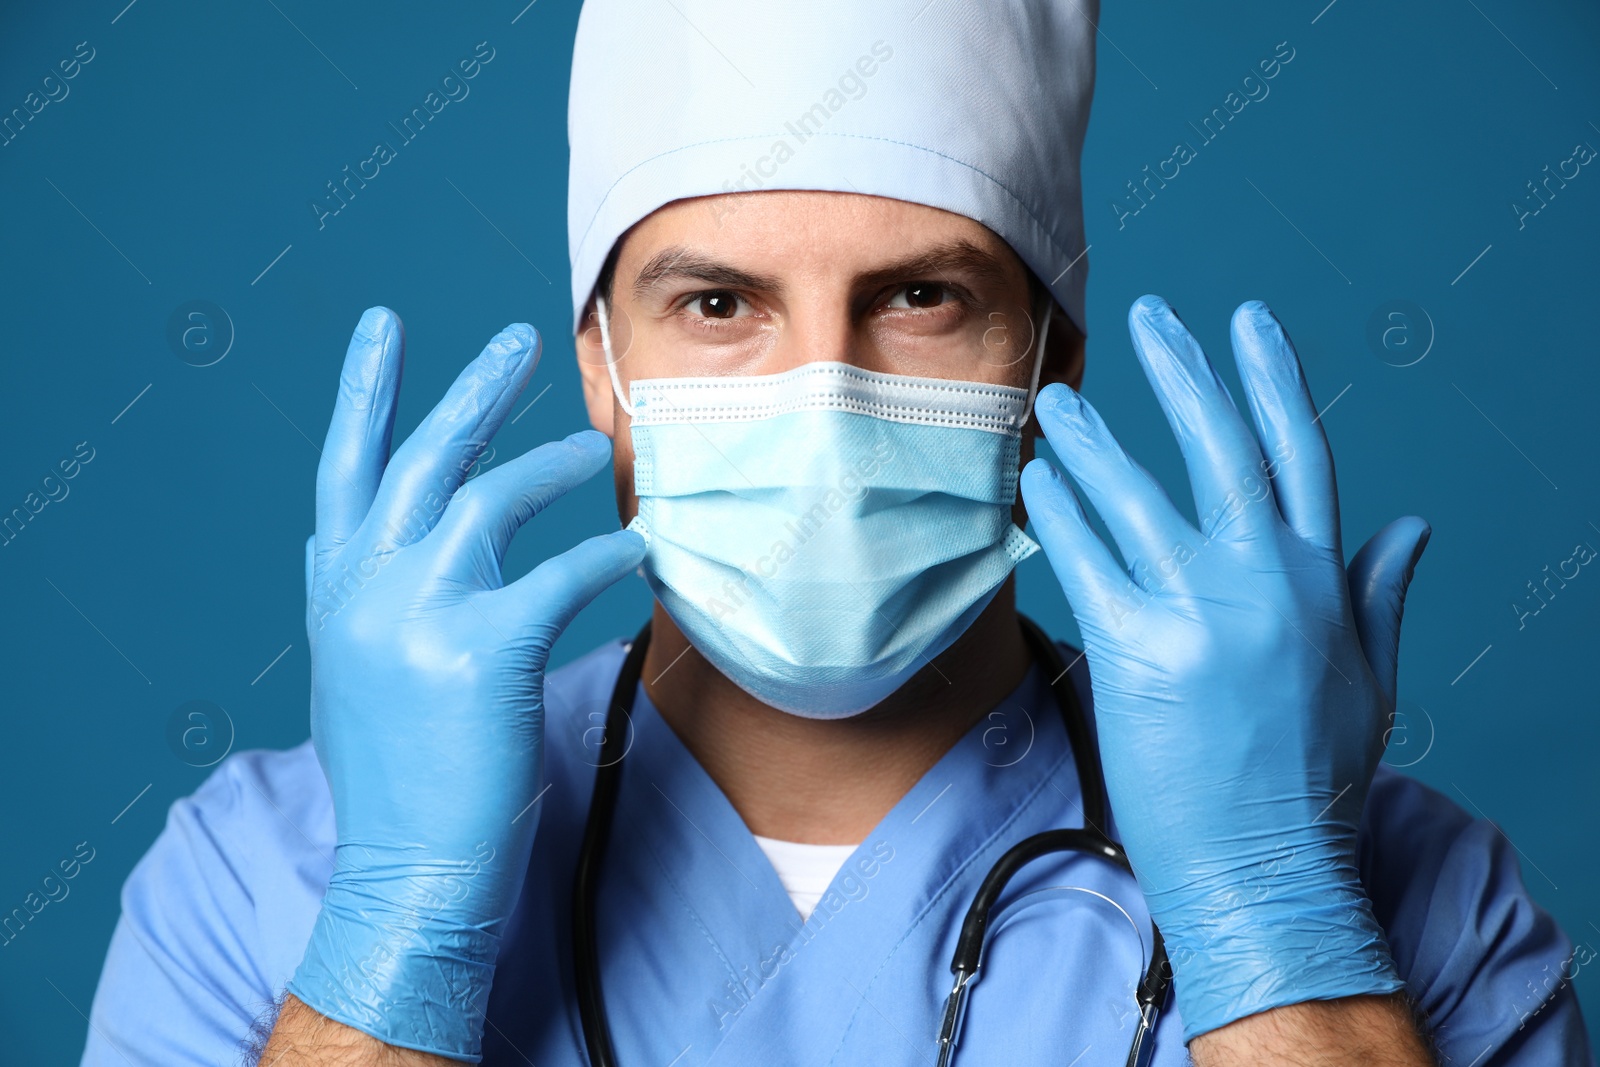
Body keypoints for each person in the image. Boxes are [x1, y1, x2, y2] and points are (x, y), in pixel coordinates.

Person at [81, 2, 1593, 1065]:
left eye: (921, 298)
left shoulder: (1406, 900)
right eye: (718, 304)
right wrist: (396, 928)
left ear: (1047, 368)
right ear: (603, 365)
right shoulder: (267, 880)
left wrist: (1279, 921)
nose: (822, 398)